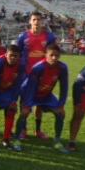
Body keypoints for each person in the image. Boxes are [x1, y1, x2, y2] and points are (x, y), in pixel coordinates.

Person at [15, 44, 68, 153]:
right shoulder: (38, 68)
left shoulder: (62, 68)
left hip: (45, 94)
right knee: (24, 113)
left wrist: (61, 104)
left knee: (61, 113)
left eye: (57, 55)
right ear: (45, 55)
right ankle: (16, 140)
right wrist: (27, 105)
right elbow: (30, 88)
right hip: (29, 92)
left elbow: (64, 87)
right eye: (51, 55)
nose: (54, 58)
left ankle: (57, 141)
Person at [16, 11, 57, 139]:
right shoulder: (23, 36)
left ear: (42, 21)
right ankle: (23, 129)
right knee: (24, 103)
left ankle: (38, 130)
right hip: (26, 75)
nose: (37, 22)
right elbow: (17, 53)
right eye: (34, 19)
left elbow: (53, 54)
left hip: (43, 75)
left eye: (39, 19)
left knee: (39, 103)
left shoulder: (49, 37)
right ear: (30, 21)